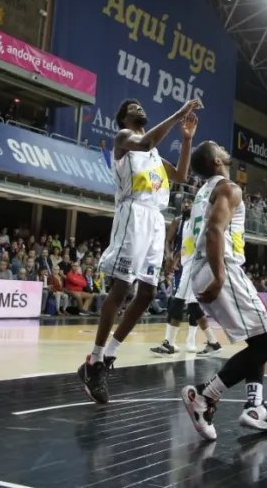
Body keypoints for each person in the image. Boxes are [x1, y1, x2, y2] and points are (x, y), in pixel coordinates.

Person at [78, 99, 201, 403]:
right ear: (123, 117)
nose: (138, 108)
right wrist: (178, 113)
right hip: (132, 213)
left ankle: (105, 359)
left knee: (147, 293)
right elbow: (145, 142)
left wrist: (186, 140)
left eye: (139, 105)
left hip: (155, 219)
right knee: (122, 288)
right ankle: (95, 356)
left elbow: (182, 175)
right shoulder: (124, 139)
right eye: (132, 106)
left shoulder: (155, 154)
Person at [179, 140, 267, 440]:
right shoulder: (228, 188)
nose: (224, 147)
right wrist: (220, 275)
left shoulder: (202, 191)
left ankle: (255, 407)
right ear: (216, 162)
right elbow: (214, 230)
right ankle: (204, 396)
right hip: (219, 267)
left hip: (200, 269)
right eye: (217, 147)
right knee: (266, 345)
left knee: (257, 340)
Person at [151, 195, 223, 357]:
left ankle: (169, 343)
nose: (186, 205)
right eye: (184, 203)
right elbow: (180, 244)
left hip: (195, 265)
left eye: (189, 203)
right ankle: (213, 343)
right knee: (191, 306)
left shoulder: (201, 220)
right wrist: (172, 257)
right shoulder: (181, 221)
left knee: (178, 300)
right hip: (186, 264)